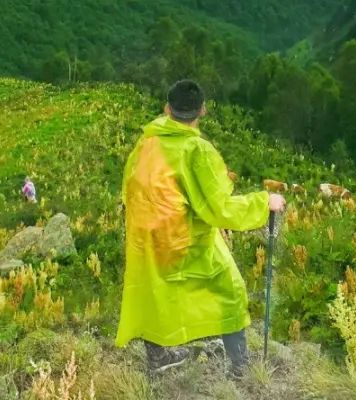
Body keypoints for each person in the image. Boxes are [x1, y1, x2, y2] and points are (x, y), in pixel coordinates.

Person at [116, 78, 285, 378]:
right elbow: (221, 208)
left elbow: (130, 185)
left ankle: (158, 354)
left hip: (145, 237)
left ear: (166, 108)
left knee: (154, 291)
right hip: (182, 241)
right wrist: (264, 202)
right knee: (230, 290)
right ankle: (241, 368)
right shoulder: (197, 150)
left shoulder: (148, 140)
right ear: (202, 111)